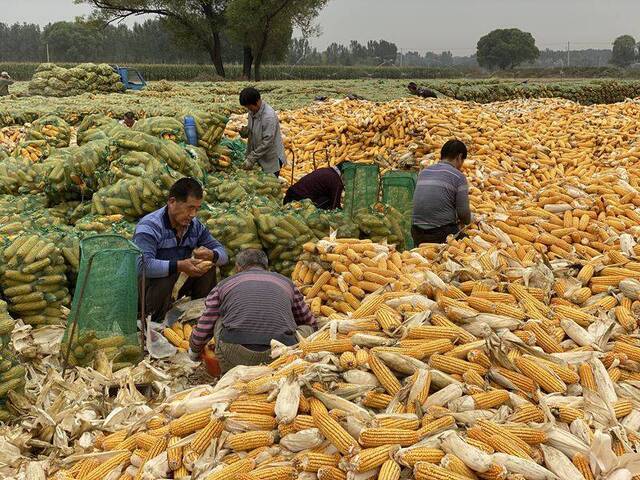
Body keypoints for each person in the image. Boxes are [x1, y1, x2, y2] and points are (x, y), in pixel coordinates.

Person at [189, 249, 316, 372]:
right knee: (308, 328)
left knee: (218, 319)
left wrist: (194, 351)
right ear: (267, 267)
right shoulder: (286, 283)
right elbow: (307, 320)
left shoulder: (223, 285)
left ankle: (228, 370)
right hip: (281, 354)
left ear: (238, 267)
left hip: (236, 355)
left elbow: (205, 324)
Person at [133, 178, 228, 323]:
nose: (193, 214)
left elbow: (223, 254)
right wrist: (179, 266)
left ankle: (201, 318)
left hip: (175, 285)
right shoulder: (150, 226)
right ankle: (151, 321)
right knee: (165, 275)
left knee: (208, 266)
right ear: (172, 202)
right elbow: (142, 266)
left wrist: (212, 254)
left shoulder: (194, 226)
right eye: (190, 208)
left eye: (197, 209)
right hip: (147, 289)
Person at [412, 139, 472, 245]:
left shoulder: (423, 172)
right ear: (459, 157)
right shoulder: (458, 177)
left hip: (416, 232)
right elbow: (464, 214)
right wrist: (469, 221)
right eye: (462, 161)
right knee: (470, 243)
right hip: (440, 234)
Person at [239, 87, 286, 177]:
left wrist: (251, 158)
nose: (248, 109)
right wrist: (246, 132)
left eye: (249, 107)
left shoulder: (268, 117)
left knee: (270, 185)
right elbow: (254, 129)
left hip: (270, 158)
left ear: (256, 102)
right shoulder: (252, 112)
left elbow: (267, 142)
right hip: (258, 156)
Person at [283, 161, 350, 210]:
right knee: (328, 201)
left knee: (326, 197)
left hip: (289, 195)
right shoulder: (336, 182)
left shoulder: (326, 170)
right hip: (298, 202)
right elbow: (335, 206)